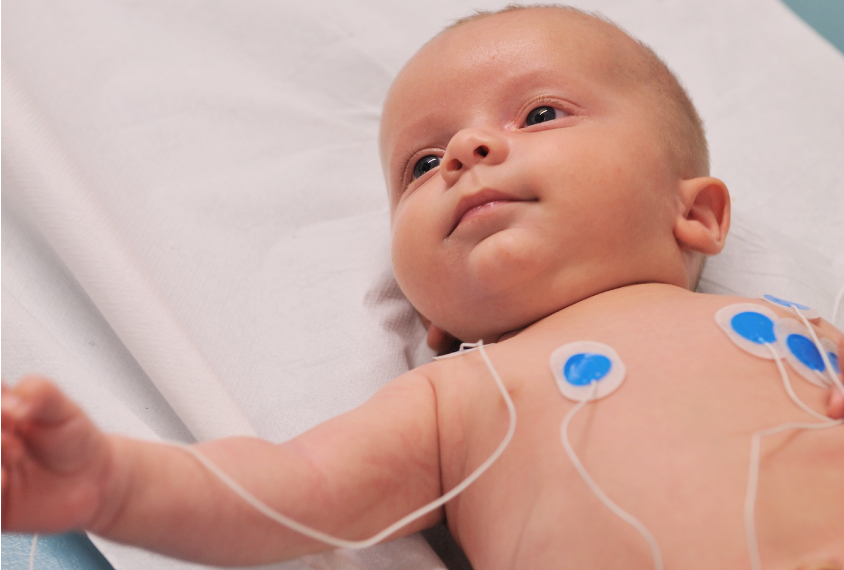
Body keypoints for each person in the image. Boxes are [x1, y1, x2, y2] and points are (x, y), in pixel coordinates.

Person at [3, 5, 843, 569]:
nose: (469, 149)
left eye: (541, 114)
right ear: (432, 318)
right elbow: (292, 492)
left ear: (693, 213)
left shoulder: (796, 330)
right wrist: (111, 485)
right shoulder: (458, 399)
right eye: (422, 164)